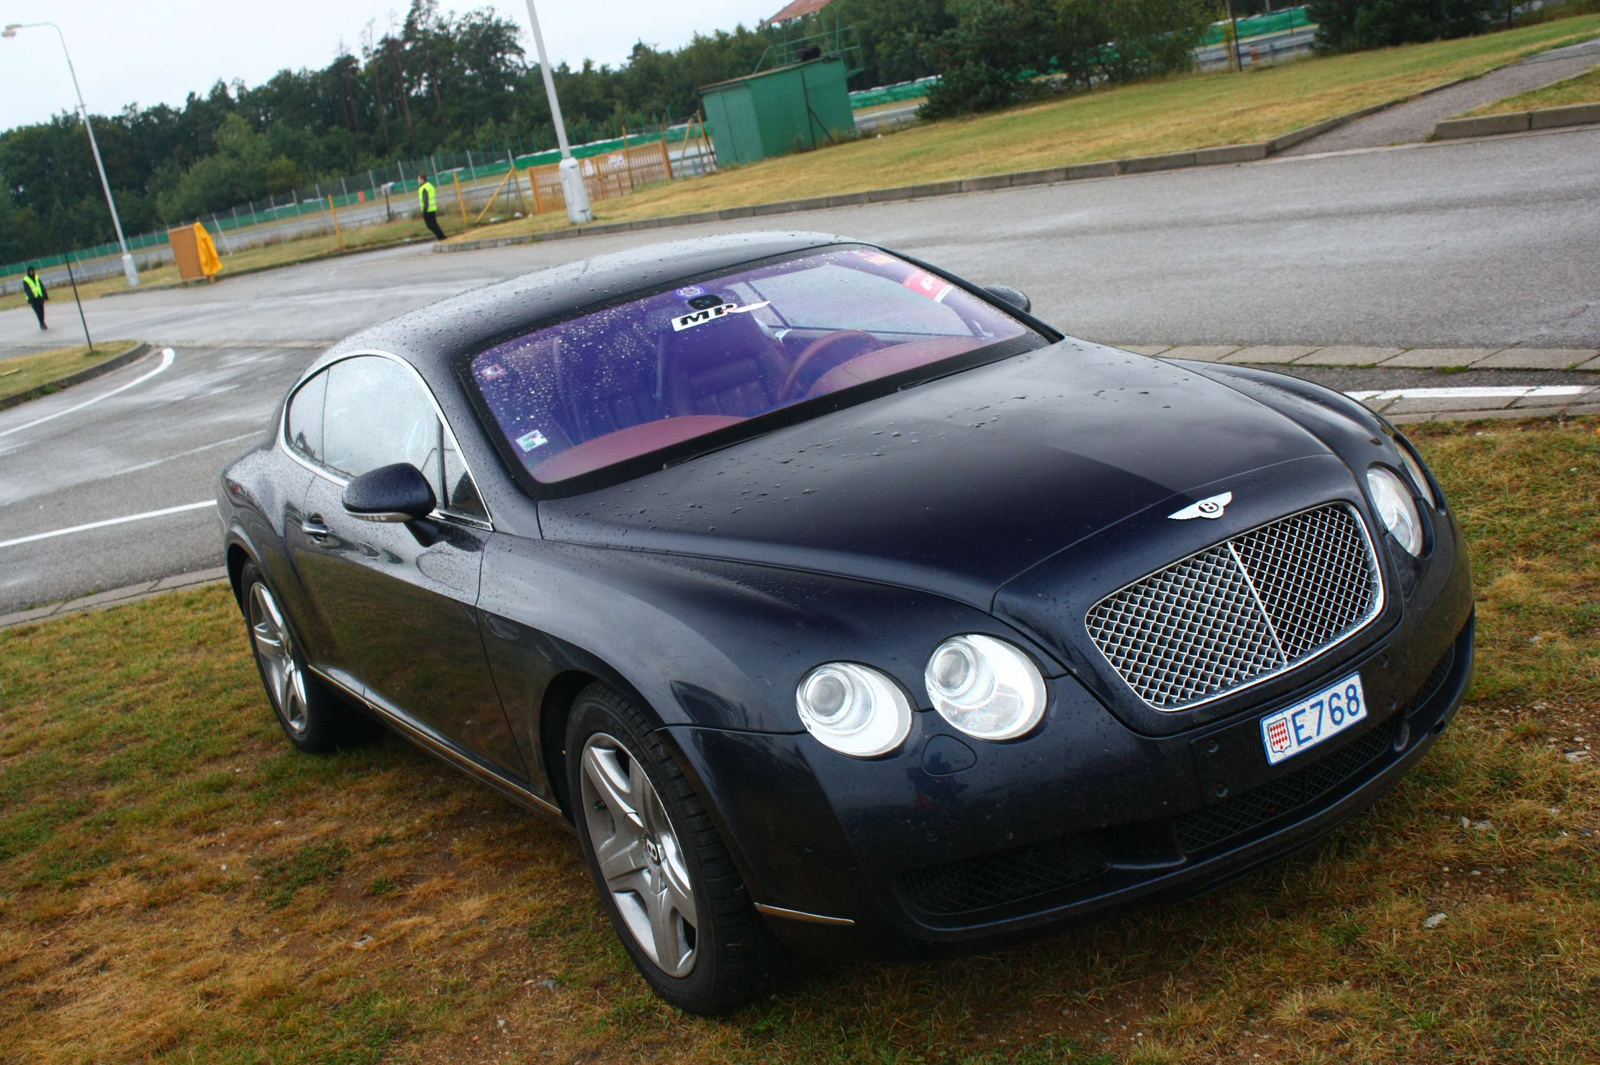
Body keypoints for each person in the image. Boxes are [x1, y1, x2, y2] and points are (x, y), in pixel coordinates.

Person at [418, 174, 446, 241]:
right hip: (432, 208)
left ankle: (441, 236)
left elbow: (425, 199)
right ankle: (441, 236)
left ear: (422, 179)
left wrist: (425, 210)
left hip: (427, 210)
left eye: (419, 179)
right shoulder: (430, 186)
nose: (418, 181)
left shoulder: (424, 188)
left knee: (430, 225)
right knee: (434, 224)